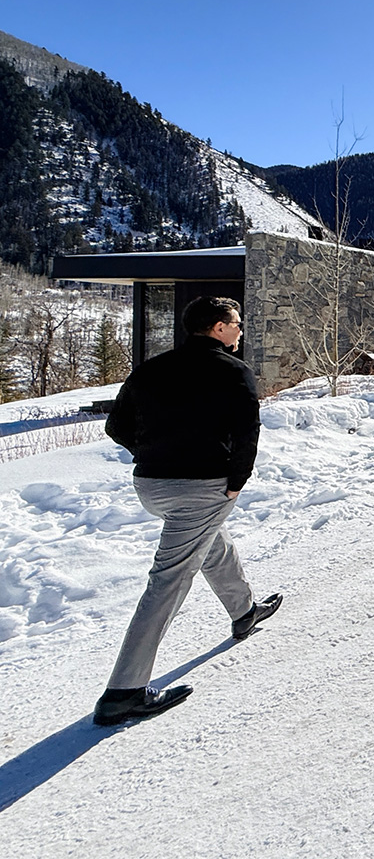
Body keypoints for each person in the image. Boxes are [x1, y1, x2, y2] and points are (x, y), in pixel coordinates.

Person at [95, 296, 282, 726]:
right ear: (218, 327)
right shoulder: (234, 372)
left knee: (211, 542)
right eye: (236, 323)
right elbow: (247, 435)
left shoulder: (151, 368)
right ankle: (123, 692)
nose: (240, 330)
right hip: (199, 488)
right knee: (168, 581)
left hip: (151, 485)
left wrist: (154, 453)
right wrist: (235, 483)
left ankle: (244, 610)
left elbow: (115, 426)